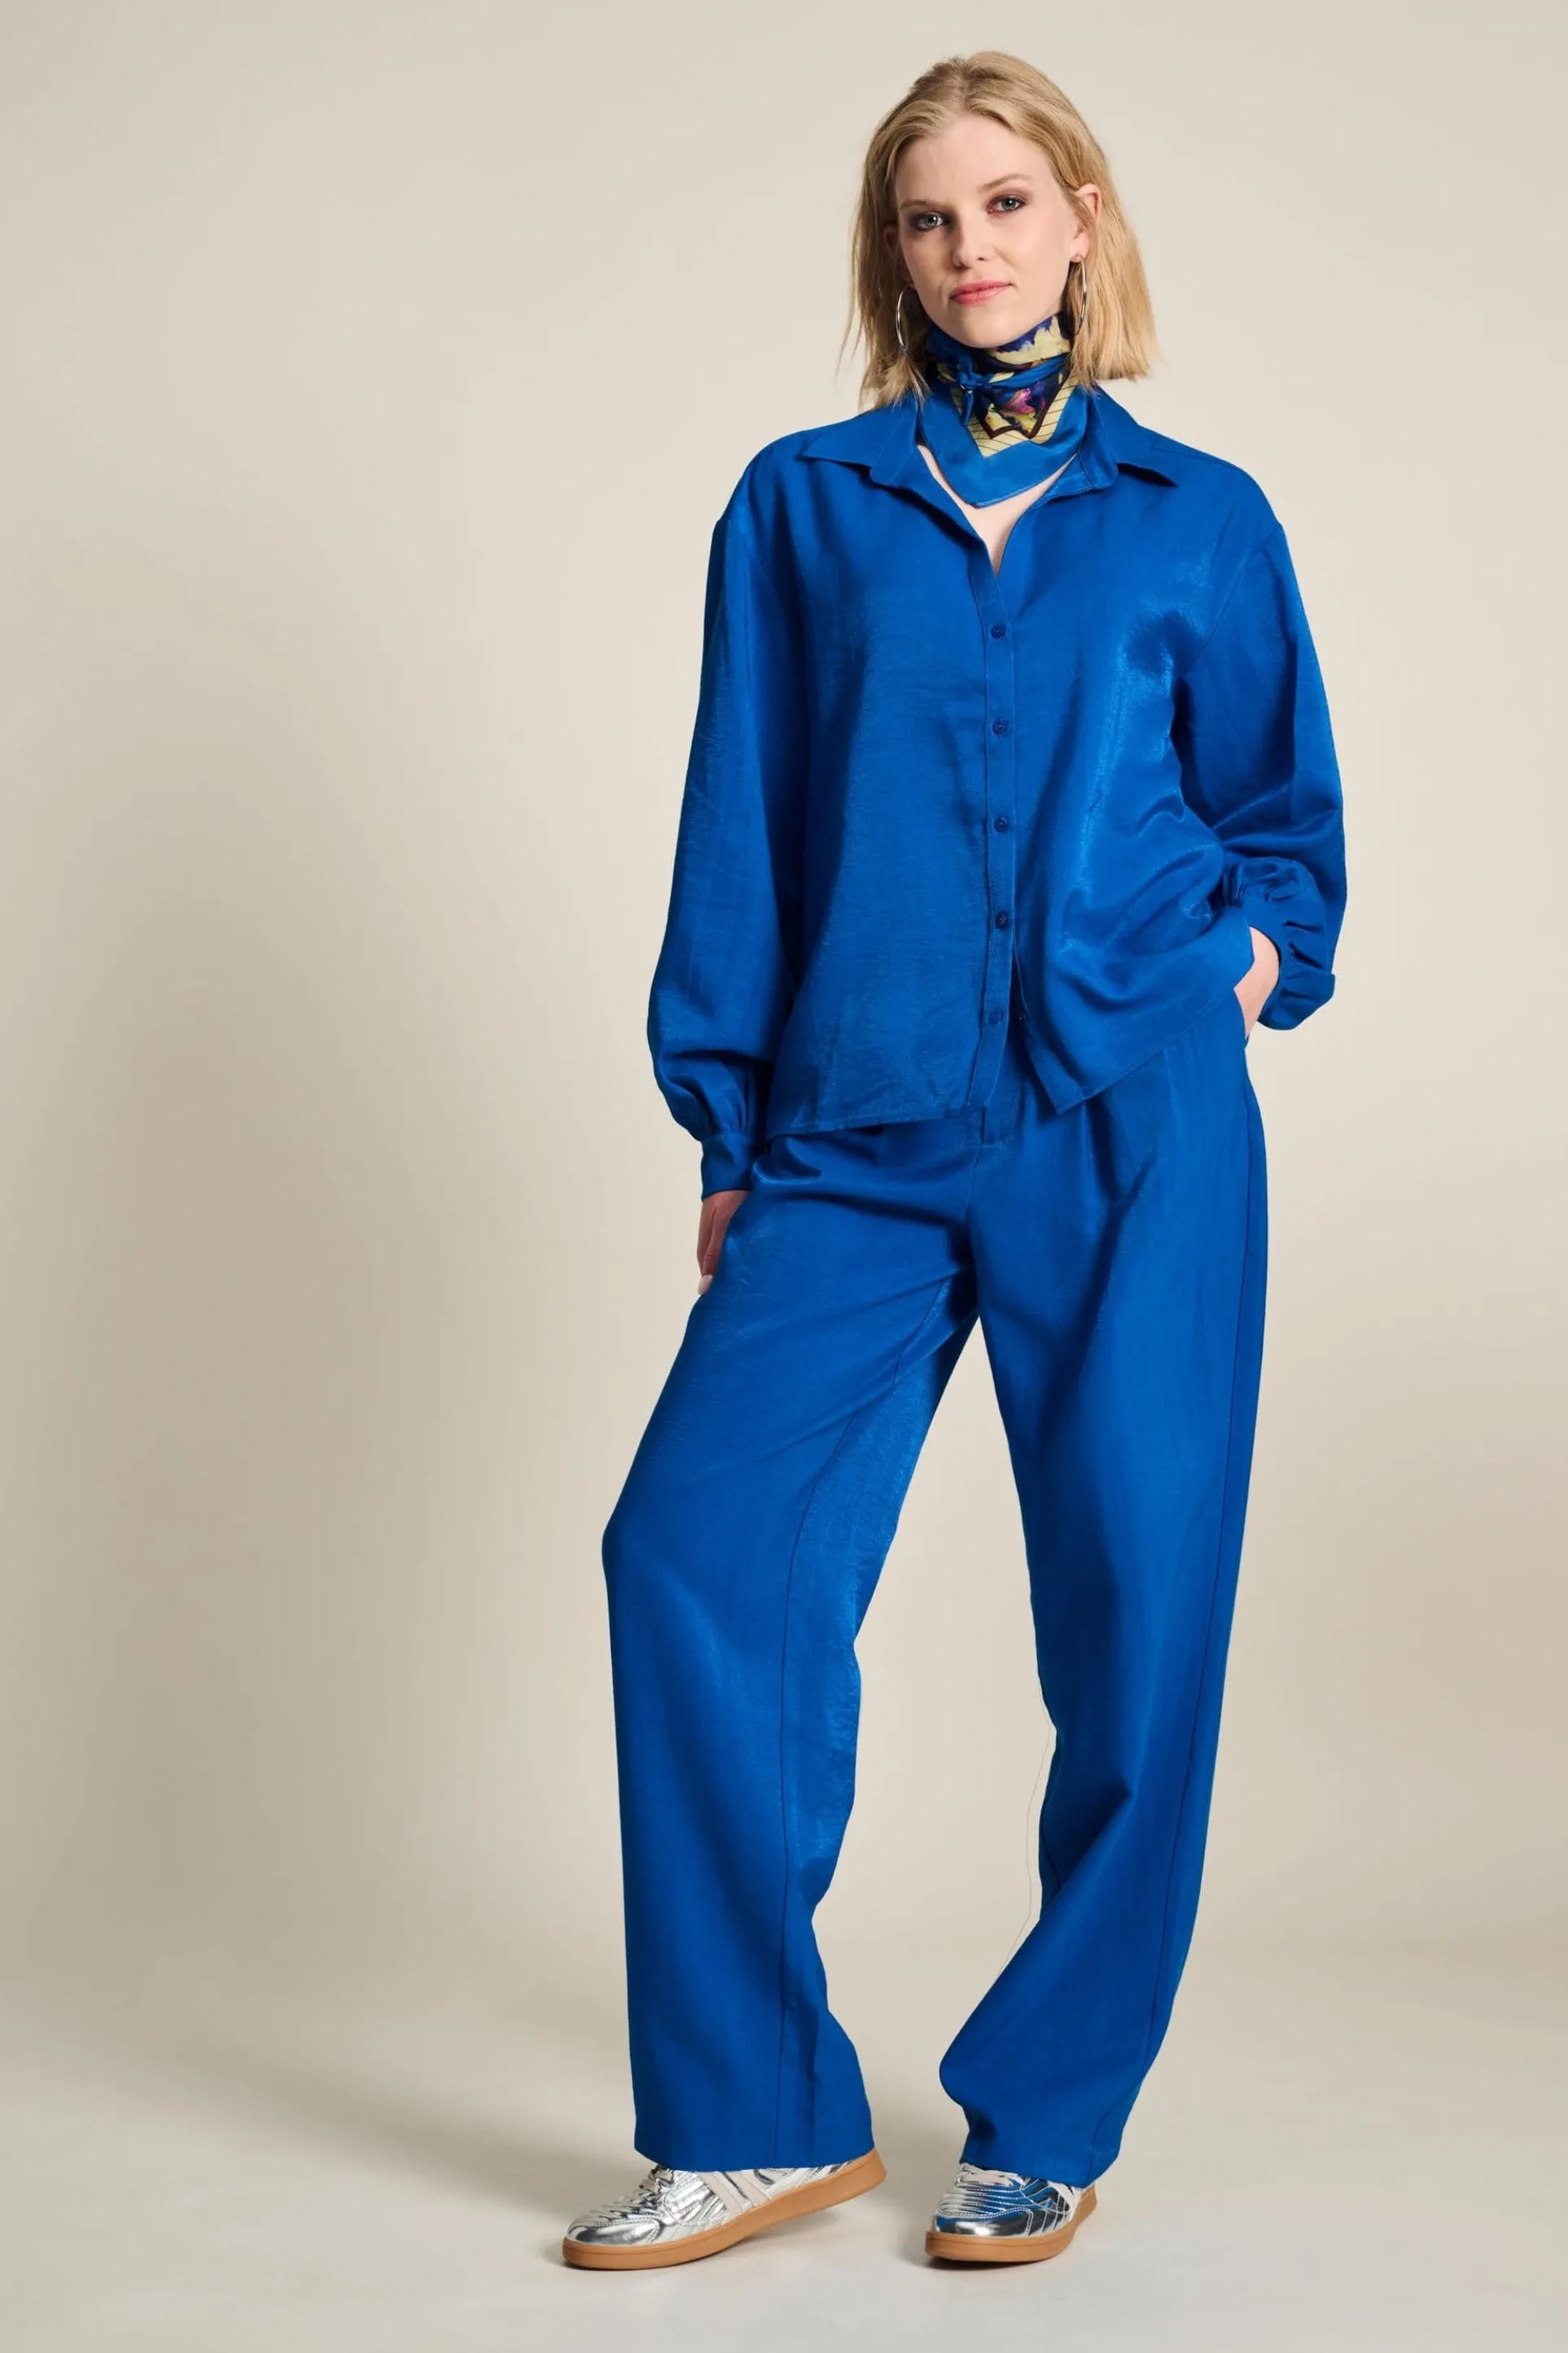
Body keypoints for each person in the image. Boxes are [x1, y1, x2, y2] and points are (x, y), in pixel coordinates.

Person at [563, 48, 1347, 2272]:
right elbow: (744, 820)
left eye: (1006, 204)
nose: (968, 247)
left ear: (1081, 219)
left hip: (1131, 1125)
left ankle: (1053, 2108)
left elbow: (1282, 820)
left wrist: (1239, 966)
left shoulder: (1198, 516)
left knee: (1136, 1606)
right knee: (693, 1553)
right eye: (928, 216)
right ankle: (753, 2112)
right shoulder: (802, 506)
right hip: (856, 1125)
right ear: (889, 252)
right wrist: (728, 1124)